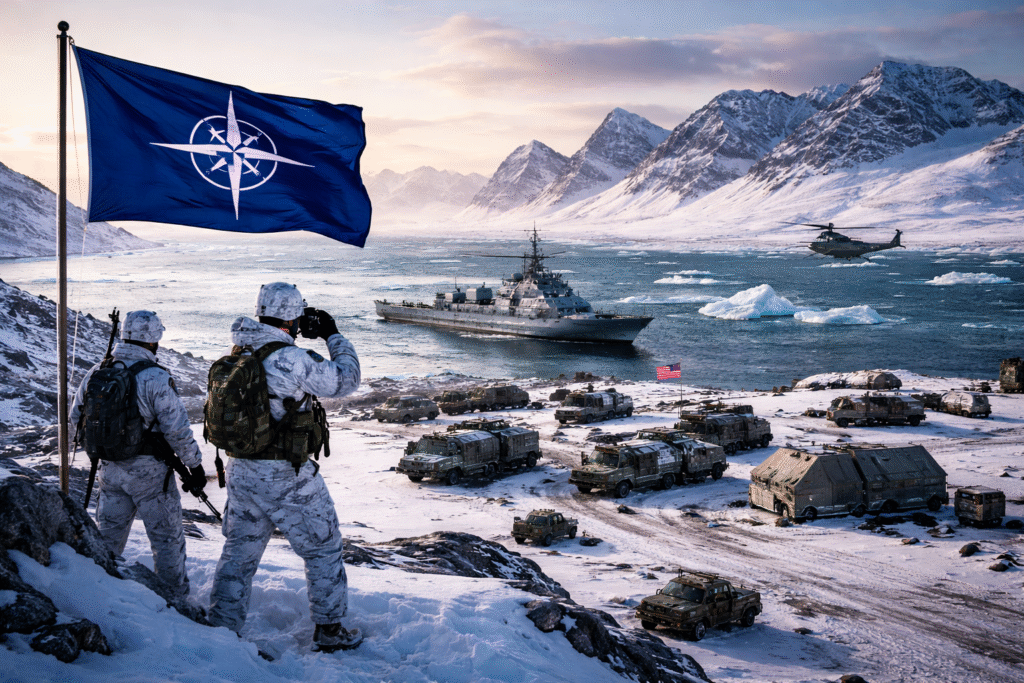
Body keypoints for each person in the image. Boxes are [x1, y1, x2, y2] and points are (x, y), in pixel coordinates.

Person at [208, 282, 362, 653]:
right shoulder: (289, 358)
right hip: (284, 473)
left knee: (239, 553)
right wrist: (332, 334)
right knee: (323, 547)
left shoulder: (240, 349)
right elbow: (346, 380)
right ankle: (329, 630)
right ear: (293, 317)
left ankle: (221, 628)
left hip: (241, 470)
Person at [70, 310, 206, 601]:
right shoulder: (155, 376)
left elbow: (76, 416)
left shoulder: (97, 370)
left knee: (107, 539)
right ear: (153, 340)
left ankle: (99, 594)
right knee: (166, 542)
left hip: (110, 469)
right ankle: (176, 603)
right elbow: (176, 428)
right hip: (151, 474)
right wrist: (194, 464)